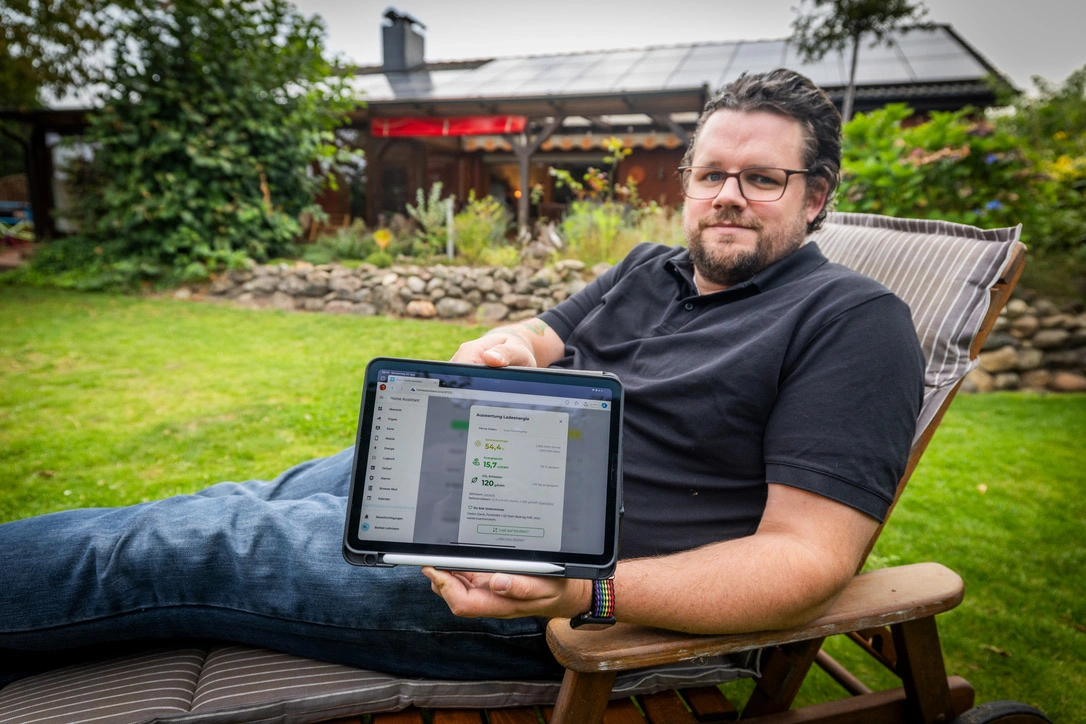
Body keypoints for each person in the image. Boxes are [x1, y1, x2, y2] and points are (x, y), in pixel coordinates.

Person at [0, 68, 924, 684]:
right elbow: (539, 334)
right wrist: (504, 350)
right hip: (469, 481)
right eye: (711, 173)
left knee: (188, 550)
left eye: (762, 179)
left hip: (541, 594)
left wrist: (587, 593)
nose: (727, 195)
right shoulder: (653, 268)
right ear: (685, 182)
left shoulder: (851, 323)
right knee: (217, 502)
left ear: (817, 195)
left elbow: (805, 558)